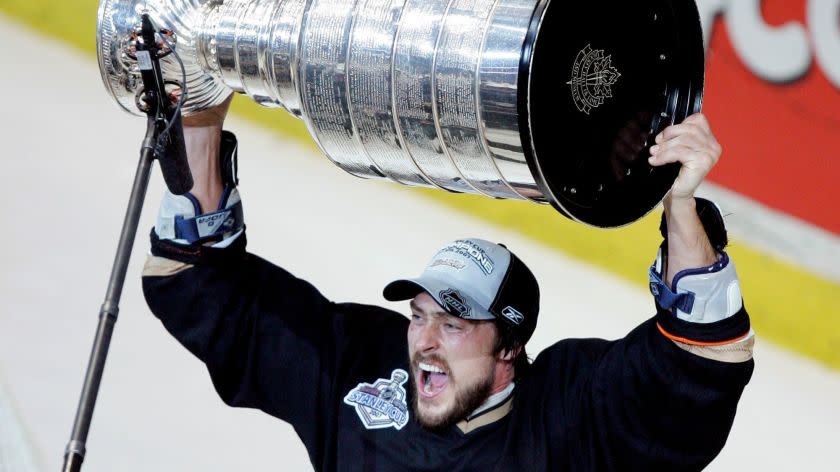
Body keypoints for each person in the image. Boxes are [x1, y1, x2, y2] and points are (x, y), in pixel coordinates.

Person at [142, 96, 754, 471]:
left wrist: (678, 205)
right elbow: (206, 286)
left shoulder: (566, 420)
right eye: (420, 315)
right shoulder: (359, 370)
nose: (425, 341)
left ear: (510, 347)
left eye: (454, 322)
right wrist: (199, 110)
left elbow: (697, 364)